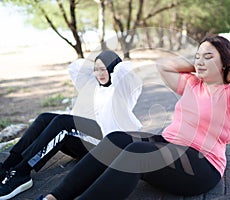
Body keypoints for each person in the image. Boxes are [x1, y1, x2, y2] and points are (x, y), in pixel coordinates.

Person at [37, 35, 230, 200]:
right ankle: (55, 196)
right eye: (197, 56)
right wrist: (200, 65)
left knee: (136, 154)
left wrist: (227, 71)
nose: (199, 61)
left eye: (208, 56)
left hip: (201, 165)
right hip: (167, 144)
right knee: (116, 139)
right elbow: (164, 64)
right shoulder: (192, 84)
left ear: (225, 62)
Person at [0, 50, 143, 200]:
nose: (99, 74)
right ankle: (9, 165)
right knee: (45, 118)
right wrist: (97, 64)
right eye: (96, 69)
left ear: (113, 68)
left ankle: (22, 172)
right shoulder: (96, 88)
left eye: (104, 69)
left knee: (64, 123)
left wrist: (112, 63)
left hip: (110, 147)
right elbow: (76, 68)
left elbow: (125, 71)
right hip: (89, 144)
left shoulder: (123, 89)